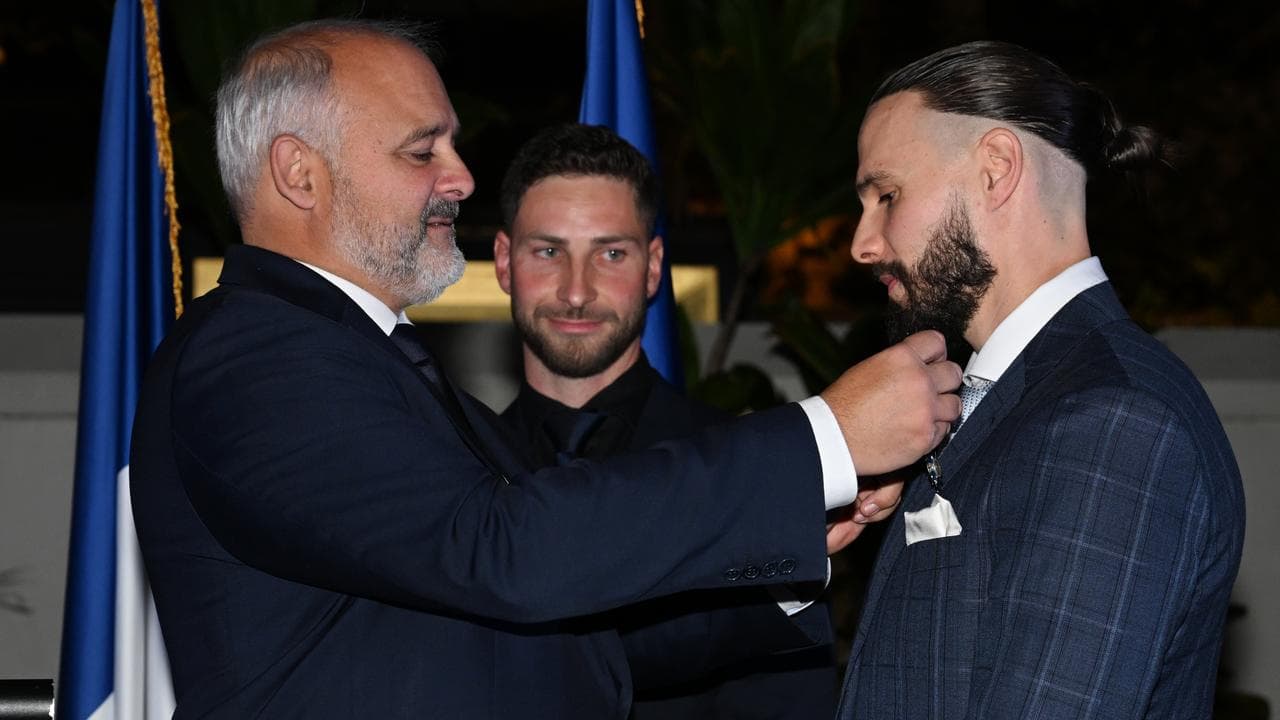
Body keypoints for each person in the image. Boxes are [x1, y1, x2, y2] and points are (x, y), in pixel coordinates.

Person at [128, 19, 961, 718]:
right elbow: (507, 552)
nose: (460, 176)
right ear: (297, 173)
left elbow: (559, 626)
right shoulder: (259, 355)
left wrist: (780, 541)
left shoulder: (362, 360)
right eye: (423, 151)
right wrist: (822, 439)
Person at [836, 41, 1245, 720]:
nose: (862, 243)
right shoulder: (1000, 398)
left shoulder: (1113, 420)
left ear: (995, 170)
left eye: (886, 195)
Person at [494, 123, 846, 718]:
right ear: (505, 261)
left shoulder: (750, 479)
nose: (576, 291)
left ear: (653, 267)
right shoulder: (452, 469)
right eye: (548, 251)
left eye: (611, 253)